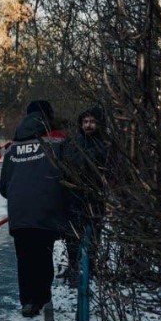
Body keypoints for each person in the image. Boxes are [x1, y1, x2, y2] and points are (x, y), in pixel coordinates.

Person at [0, 100, 68, 317]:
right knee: (43, 255)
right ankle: (42, 297)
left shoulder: (12, 149)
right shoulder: (57, 143)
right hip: (47, 209)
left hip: (19, 213)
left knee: (25, 257)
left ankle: (28, 302)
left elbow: (3, 187)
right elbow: (67, 178)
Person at [61, 105, 109, 285]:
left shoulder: (105, 143)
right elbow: (69, 163)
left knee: (94, 233)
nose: (88, 125)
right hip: (74, 195)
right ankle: (73, 266)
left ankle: (92, 266)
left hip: (95, 197)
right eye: (85, 122)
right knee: (73, 235)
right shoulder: (74, 142)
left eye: (92, 122)